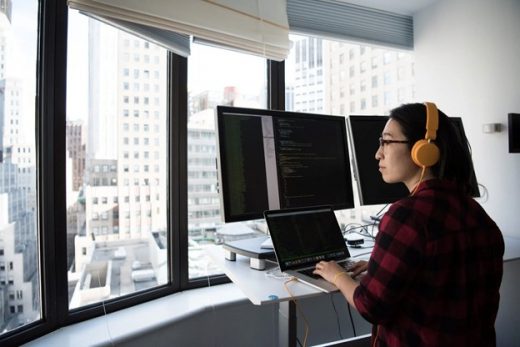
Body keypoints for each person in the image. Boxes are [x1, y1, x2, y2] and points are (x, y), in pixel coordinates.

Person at [313, 103, 504, 346]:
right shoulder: (477, 214)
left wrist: (337, 274)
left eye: (387, 142)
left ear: (423, 150)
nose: (378, 153)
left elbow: (371, 306)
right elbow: (443, 274)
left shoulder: (407, 216)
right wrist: (380, 266)